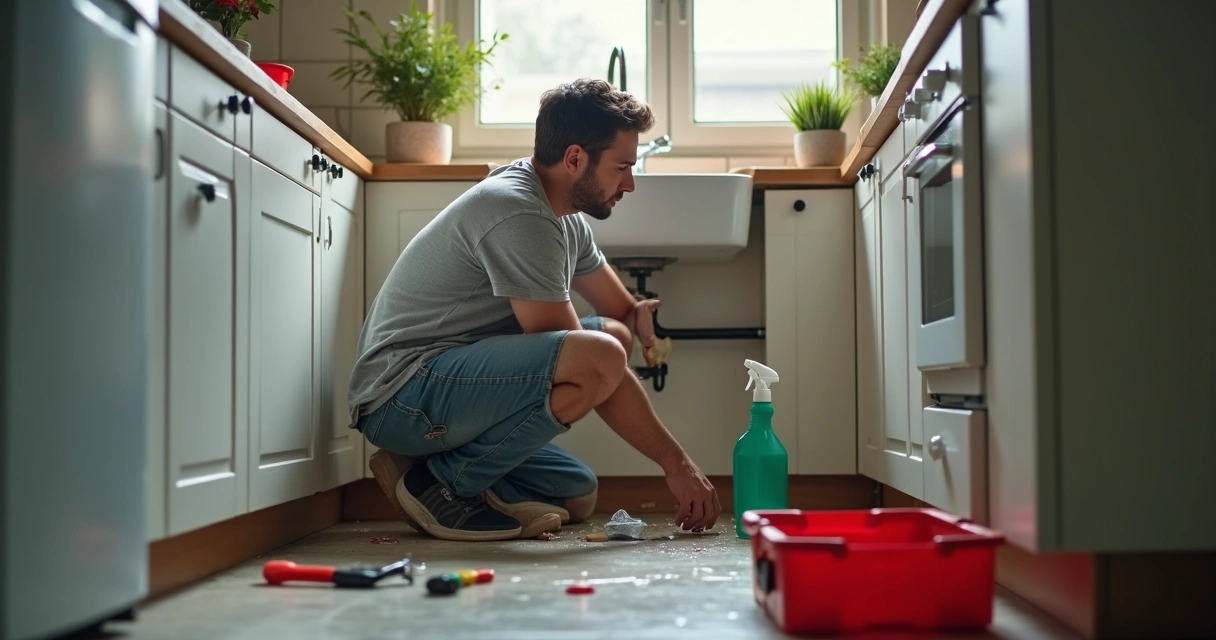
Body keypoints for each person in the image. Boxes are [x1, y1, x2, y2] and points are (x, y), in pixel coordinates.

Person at [347, 78, 722, 542]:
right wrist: (677, 465)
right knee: (602, 354)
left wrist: (636, 316)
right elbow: (586, 358)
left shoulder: (564, 217)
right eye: (622, 167)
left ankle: (425, 466)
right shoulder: (518, 212)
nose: (630, 184)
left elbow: (616, 314)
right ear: (574, 159)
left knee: (576, 497)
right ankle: (441, 484)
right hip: (401, 394)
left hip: (447, 386)